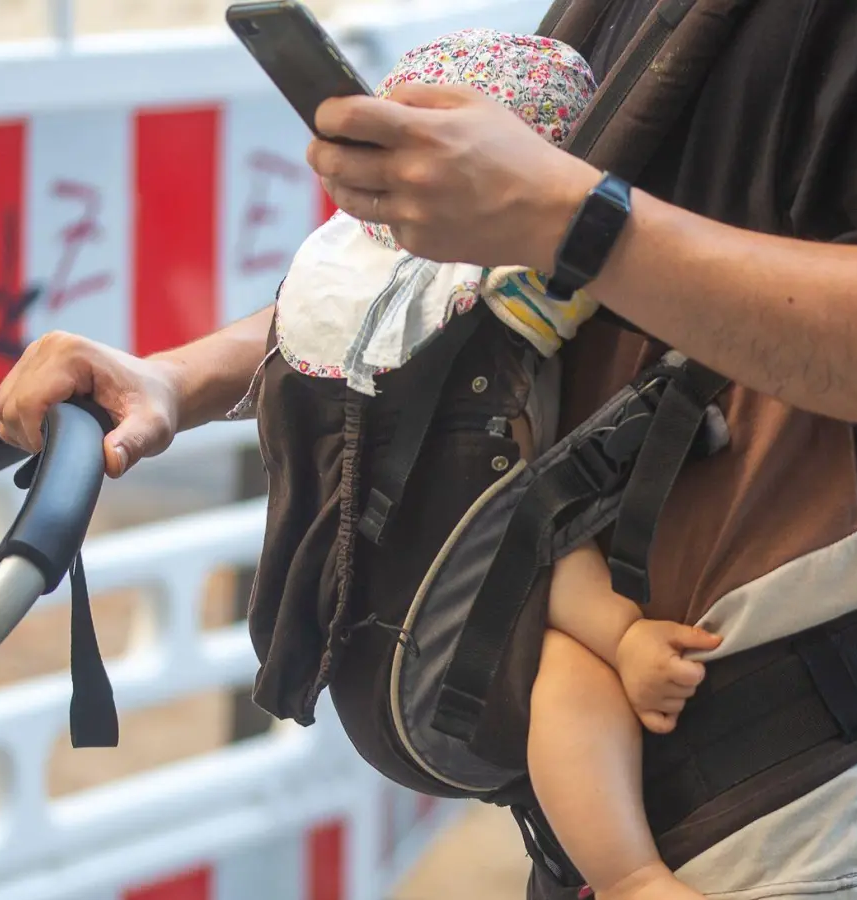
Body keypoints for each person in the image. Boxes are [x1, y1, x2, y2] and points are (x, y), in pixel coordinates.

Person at [0, 0, 857, 895]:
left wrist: (568, 217)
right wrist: (179, 378)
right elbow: (483, 292)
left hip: (799, 790)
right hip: (601, 782)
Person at [252, 27, 721, 899]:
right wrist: (621, 635)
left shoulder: (345, 278)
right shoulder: (508, 287)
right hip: (484, 614)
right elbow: (527, 521)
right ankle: (630, 877)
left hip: (370, 642)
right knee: (571, 664)